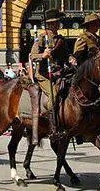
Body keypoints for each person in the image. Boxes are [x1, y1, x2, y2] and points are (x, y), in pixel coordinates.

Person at [29, 9, 68, 140]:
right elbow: (33, 56)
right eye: (53, 23)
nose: (56, 25)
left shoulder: (61, 39)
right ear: (49, 24)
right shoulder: (42, 38)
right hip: (44, 74)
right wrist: (43, 55)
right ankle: (53, 126)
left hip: (59, 72)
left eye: (57, 23)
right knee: (54, 95)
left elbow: (65, 56)